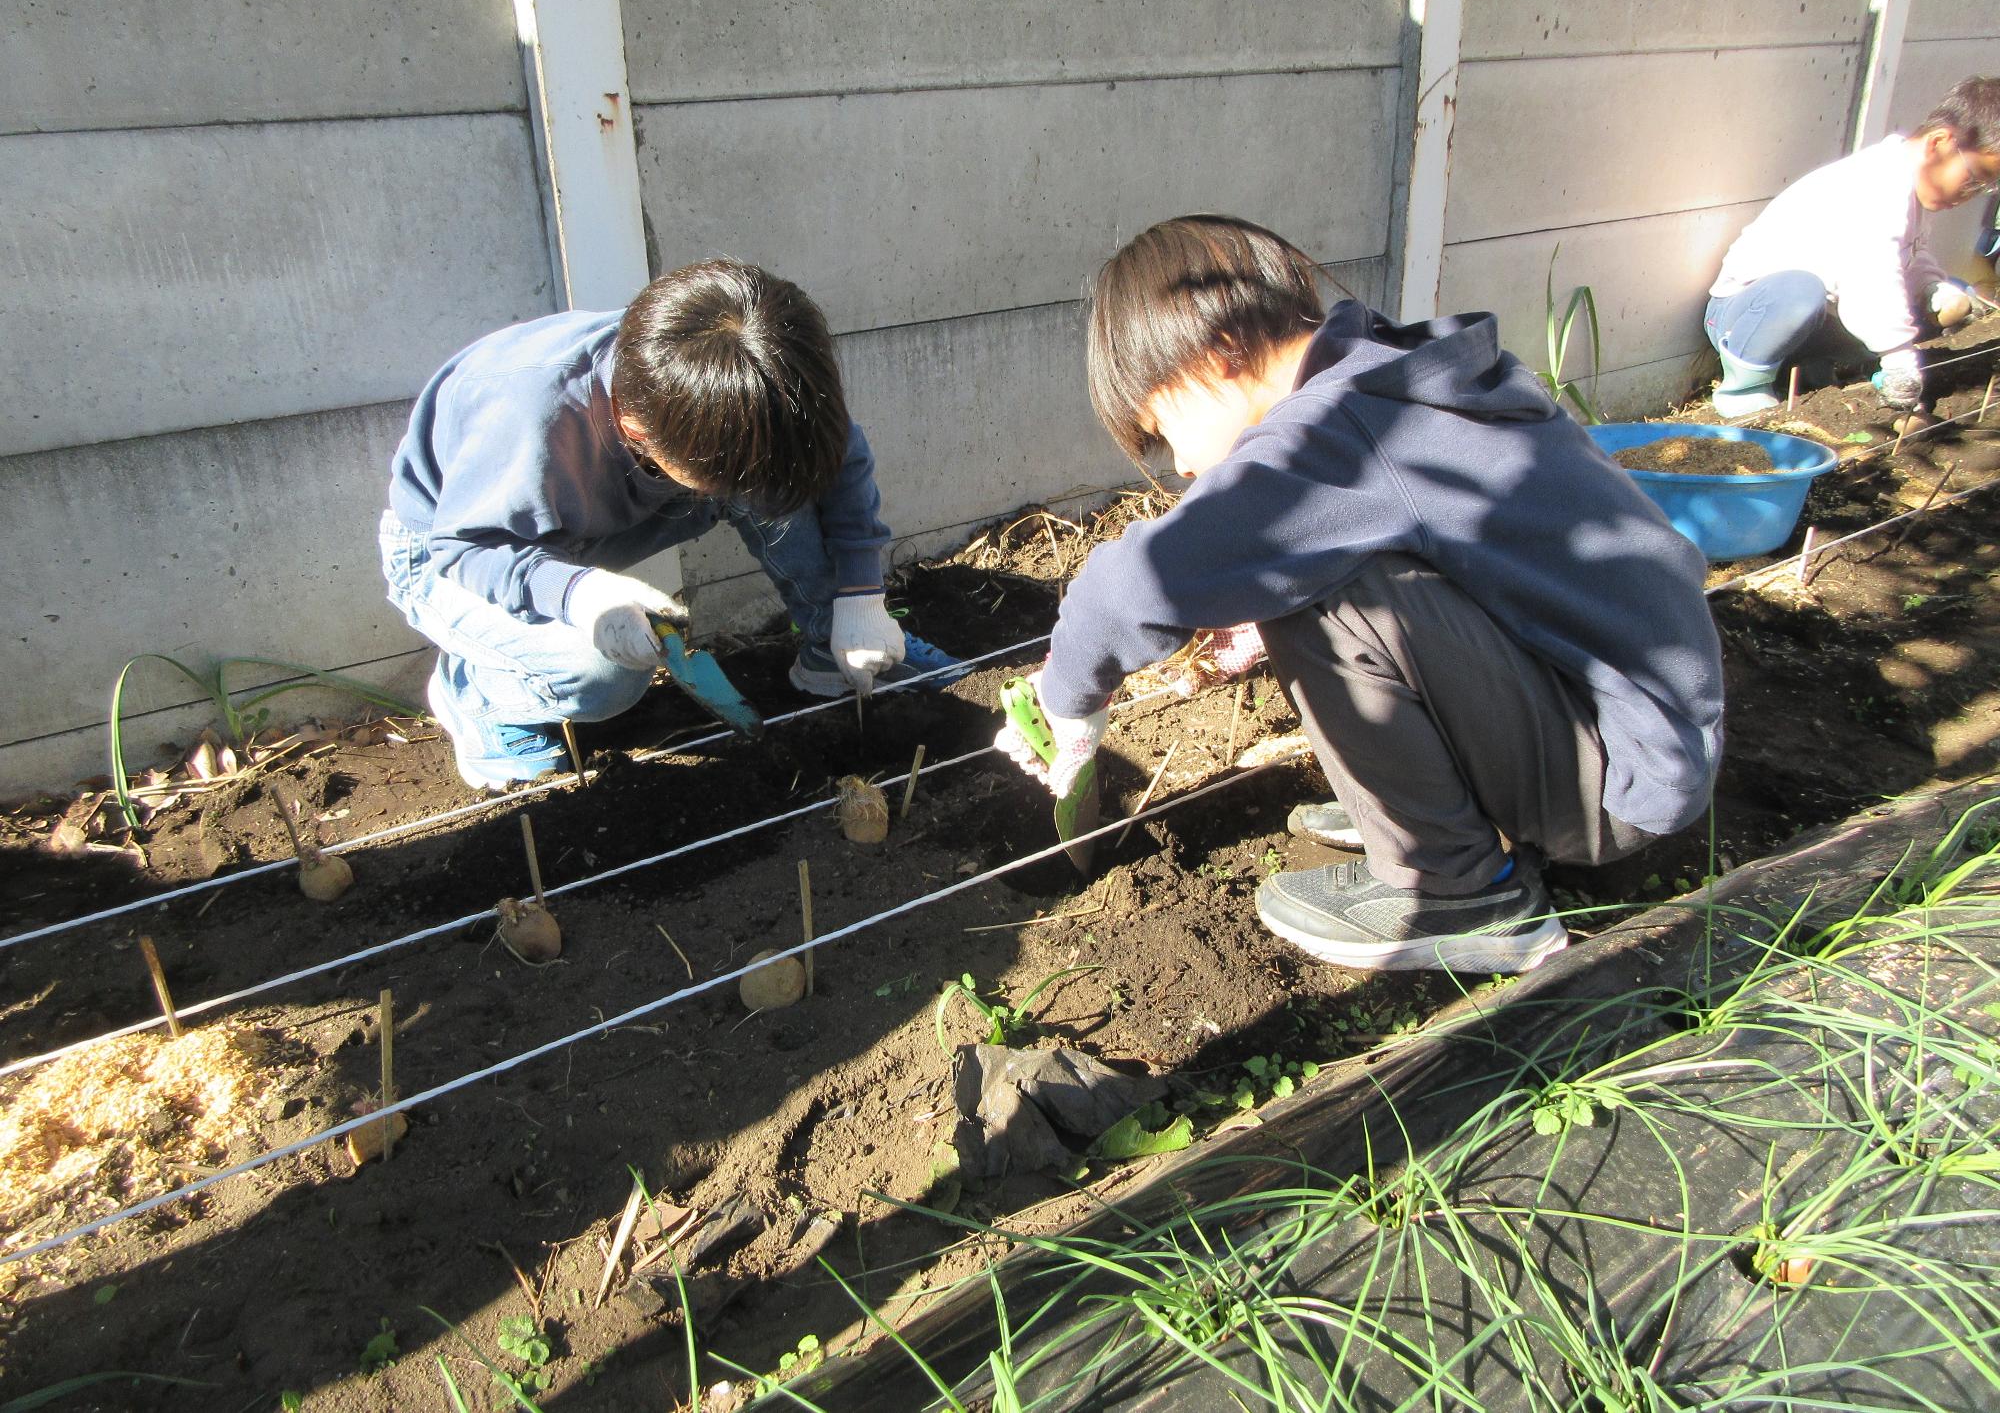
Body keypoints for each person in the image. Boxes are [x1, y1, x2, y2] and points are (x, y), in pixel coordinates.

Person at [996, 215, 1724, 975]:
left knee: (1322, 589)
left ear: (1214, 358)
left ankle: (1457, 890)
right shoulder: (1390, 382)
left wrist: (1068, 697)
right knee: (1304, 566)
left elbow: (1134, 584)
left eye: (1162, 425)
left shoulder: (1340, 431)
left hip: (1613, 782)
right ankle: (1430, 809)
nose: (1178, 463)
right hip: (1631, 730)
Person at [381, 258, 964, 790]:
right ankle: (479, 697)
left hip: (581, 525)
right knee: (602, 673)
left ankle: (826, 653)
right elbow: (465, 546)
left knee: (774, 475)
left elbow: (832, 458)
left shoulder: (741, 379)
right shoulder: (532, 421)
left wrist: (860, 597)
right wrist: (579, 595)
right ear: (638, 435)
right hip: (455, 554)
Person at [1704, 77, 2000, 420]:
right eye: (1976, 177)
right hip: (1747, 313)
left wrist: (1934, 289)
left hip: (1811, 317)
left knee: (1916, 305)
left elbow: (1906, 258)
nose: (1974, 192)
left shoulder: (1910, 188)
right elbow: (1872, 281)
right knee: (1803, 293)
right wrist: (1899, 361)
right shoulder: (1877, 186)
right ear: (1939, 143)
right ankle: (1744, 387)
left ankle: (1806, 369)